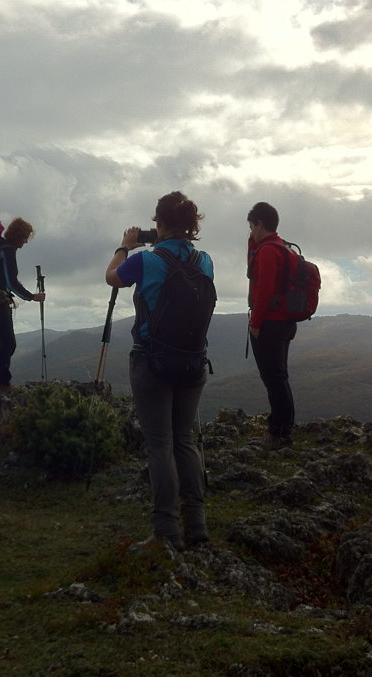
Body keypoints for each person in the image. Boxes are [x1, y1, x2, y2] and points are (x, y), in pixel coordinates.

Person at [105, 192, 214, 551]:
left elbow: (112, 278)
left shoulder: (145, 261)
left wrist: (124, 246)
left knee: (160, 444)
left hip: (152, 362)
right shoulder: (206, 261)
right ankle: (196, 524)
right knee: (185, 440)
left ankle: (166, 531)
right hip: (193, 362)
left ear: (160, 222)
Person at [0, 217, 45, 387]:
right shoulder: (7, 250)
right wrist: (32, 296)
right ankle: (0, 380)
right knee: (8, 342)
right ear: (18, 236)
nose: (26, 241)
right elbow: (11, 281)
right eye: (25, 237)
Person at [246, 201, 296, 450]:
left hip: (269, 324)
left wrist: (255, 324)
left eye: (252, 226)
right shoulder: (281, 247)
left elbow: (263, 291)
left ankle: (279, 433)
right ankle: (282, 428)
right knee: (279, 377)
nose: (250, 232)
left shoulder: (267, 252)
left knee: (274, 379)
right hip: (285, 322)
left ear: (260, 223)